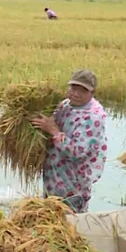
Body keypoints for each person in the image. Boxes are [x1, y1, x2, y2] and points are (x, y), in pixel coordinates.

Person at [30, 69, 107, 214]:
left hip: (73, 183)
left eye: (83, 90)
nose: (76, 93)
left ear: (92, 93)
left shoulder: (93, 117)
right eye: (73, 88)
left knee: (71, 224)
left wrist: (53, 131)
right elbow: (52, 122)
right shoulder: (65, 104)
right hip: (54, 177)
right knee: (50, 219)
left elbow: (77, 151)